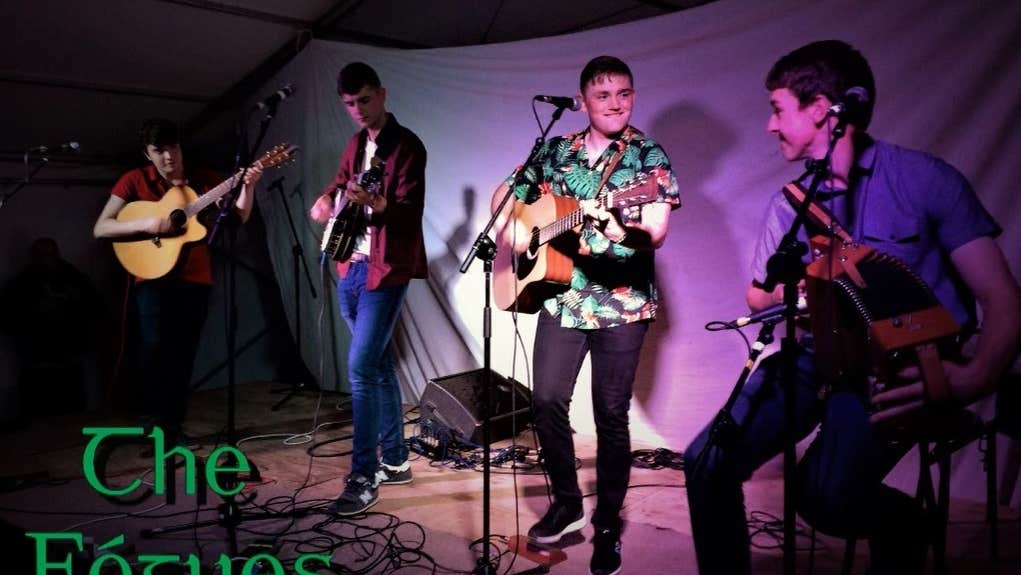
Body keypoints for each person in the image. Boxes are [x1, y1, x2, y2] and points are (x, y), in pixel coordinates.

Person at [683, 40, 1021, 574]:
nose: (770, 125)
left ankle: (906, 525)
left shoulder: (925, 180)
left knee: (825, 499)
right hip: (814, 355)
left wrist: (972, 378)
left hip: (894, 366)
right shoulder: (790, 205)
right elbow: (758, 295)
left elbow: (1001, 297)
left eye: (778, 110)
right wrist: (803, 292)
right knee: (705, 460)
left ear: (821, 109)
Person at [492, 55, 680, 575]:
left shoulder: (647, 156)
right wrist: (517, 233)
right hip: (563, 297)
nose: (615, 104)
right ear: (582, 102)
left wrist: (620, 229)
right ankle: (568, 502)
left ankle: (609, 523)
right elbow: (505, 197)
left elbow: (656, 231)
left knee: (609, 415)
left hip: (622, 303)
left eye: (624, 93)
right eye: (603, 95)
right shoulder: (556, 150)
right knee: (546, 401)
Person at [93, 118, 262, 447]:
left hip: (196, 280)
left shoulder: (203, 181)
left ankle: (172, 427)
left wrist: (249, 186)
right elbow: (102, 227)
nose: (168, 156)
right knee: (154, 350)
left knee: (184, 355)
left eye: (173, 147)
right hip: (152, 277)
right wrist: (151, 224)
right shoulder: (134, 180)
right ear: (148, 153)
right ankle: (151, 421)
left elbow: (237, 218)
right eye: (159, 150)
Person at [309, 62, 428, 516]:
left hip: (385, 269)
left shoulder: (407, 146)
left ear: (381, 94)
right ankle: (396, 460)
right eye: (349, 104)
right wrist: (327, 198)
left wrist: (376, 204)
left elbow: (408, 213)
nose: (357, 110)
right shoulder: (355, 143)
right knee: (377, 366)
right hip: (351, 265)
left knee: (360, 369)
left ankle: (363, 476)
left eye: (364, 100)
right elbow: (341, 183)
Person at [1, 237, 100, 415]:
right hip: (35, 363)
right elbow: (8, 320)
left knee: (70, 416)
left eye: (50, 256)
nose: (46, 261)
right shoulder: (20, 284)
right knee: (38, 417)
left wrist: (71, 301)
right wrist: (35, 311)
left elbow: (95, 306)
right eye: (40, 256)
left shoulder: (72, 276)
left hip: (69, 361)